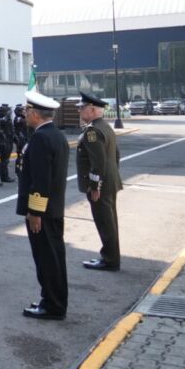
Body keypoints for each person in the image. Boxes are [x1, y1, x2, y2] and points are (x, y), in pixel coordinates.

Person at [17, 90, 69, 321]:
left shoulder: (40, 138)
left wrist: (35, 211)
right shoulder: (56, 135)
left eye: (27, 111)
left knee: (47, 259)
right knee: (55, 256)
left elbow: (41, 179)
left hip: (43, 211)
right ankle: (55, 301)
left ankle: (52, 305)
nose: (25, 115)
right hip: (54, 207)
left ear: (35, 114)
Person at [75, 92, 123, 271]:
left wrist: (95, 186)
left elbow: (97, 162)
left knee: (104, 221)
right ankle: (111, 257)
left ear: (93, 109)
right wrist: (111, 175)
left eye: (82, 108)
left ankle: (110, 260)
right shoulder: (105, 127)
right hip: (109, 180)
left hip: (101, 184)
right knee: (110, 220)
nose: (80, 110)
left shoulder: (92, 132)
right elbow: (116, 155)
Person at [0, 103, 15, 183]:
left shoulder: (6, 120)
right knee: (4, 160)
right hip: (5, 141)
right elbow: (1, 131)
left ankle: (5, 176)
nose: (10, 112)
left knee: (6, 160)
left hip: (8, 140)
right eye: (9, 111)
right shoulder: (3, 120)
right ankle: (4, 177)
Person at [13, 104, 28, 176]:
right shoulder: (18, 118)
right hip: (20, 139)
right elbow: (26, 123)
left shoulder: (21, 118)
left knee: (23, 155)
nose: (24, 111)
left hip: (24, 138)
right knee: (20, 155)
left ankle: (22, 169)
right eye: (22, 110)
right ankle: (18, 170)